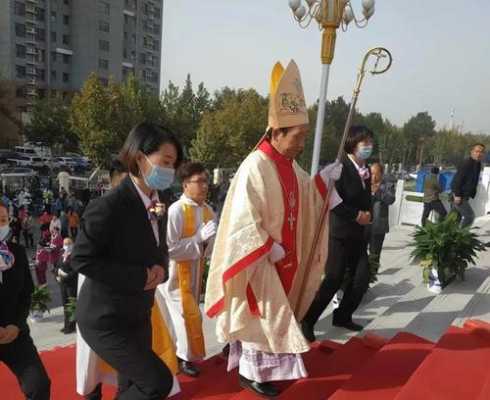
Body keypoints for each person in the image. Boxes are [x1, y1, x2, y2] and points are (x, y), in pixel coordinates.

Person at [204, 60, 342, 397]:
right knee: (262, 320)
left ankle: (261, 369)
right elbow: (241, 219)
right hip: (261, 261)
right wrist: (266, 246)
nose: (301, 144)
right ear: (277, 132)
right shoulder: (255, 166)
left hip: (285, 261)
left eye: (304, 137)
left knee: (274, 320)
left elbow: (306, 198)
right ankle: (253, 374)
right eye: (297, 136)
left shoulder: (288, 165)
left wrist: (322, 183)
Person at [73, 122, 184, 400]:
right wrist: (139, 276)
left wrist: (161, 268)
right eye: (166, 161)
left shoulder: (160, 200)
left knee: (132, 386)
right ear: (139, 157)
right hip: (105, 318)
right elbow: (82, 259)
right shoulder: (109, 206)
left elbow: (159, 247)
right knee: (158, 382)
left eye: (174, 164)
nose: (170, 171)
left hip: (138, 313)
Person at [302, 125, 374, 340]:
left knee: (360, 279)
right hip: (340, 233)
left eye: (370, 142)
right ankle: (308, 319)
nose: (368, 147)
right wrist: (355, 215)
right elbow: (332, 201)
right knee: (333, 278)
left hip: (359, 234)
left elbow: (366, 199)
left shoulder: (366, 169)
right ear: (352, 144)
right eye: (364, 143)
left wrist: (368, 214)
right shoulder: (339, 168)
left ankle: (342, 316)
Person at [162, 162, 217, 377]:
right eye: (199, 181)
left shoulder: (208, 210)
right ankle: (183, 358)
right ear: (185, 185)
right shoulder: (176, 210)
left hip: (196, 273)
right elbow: (169, 248)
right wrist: (197, 239)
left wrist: (209, 243)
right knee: (184, 317)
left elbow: (210, 246)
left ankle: (183, 355)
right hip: (176, 277)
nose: (205, 186)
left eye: (206, 181)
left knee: (192, 316)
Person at [0, 201, 51, 400]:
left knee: (39, 385)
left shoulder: (17, 252)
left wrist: (16, 324)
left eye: (3, 220)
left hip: (15, 333)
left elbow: (26, 293)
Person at [366, 162, 396, 279]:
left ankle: (372, 275)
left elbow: (391, 199)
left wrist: (377, 192)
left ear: (381, 174)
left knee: (375, 253)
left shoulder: (388, 185)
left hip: (378, 225)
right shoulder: (365, 182)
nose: (373, 177)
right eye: (371, 173)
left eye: (376, 174)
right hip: (364, 224)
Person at [451, 144, 485, 228]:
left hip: (465, 196)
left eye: (481, 152)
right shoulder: (466, 163)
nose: (479, 154)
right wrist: (457, 195)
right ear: (472, 152)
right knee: (469, 216)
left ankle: (450, 237)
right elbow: (457, 180)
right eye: (476, 151)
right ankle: (461, 235)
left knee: (454, 219)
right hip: (459, 196)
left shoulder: (478, 164)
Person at [55, 237, 78, 334]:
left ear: (72, 244)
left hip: (71, 285)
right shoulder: (62, 254)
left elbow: (75, 271)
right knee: (65, 305)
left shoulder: (74, 255)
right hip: (63, 284)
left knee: (71, 305)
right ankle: (67, 325)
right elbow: (56, 266)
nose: (66, 246)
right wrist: (56, 275)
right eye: (65, 244)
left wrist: (65, 277)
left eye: (68, 243)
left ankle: (73, 326)